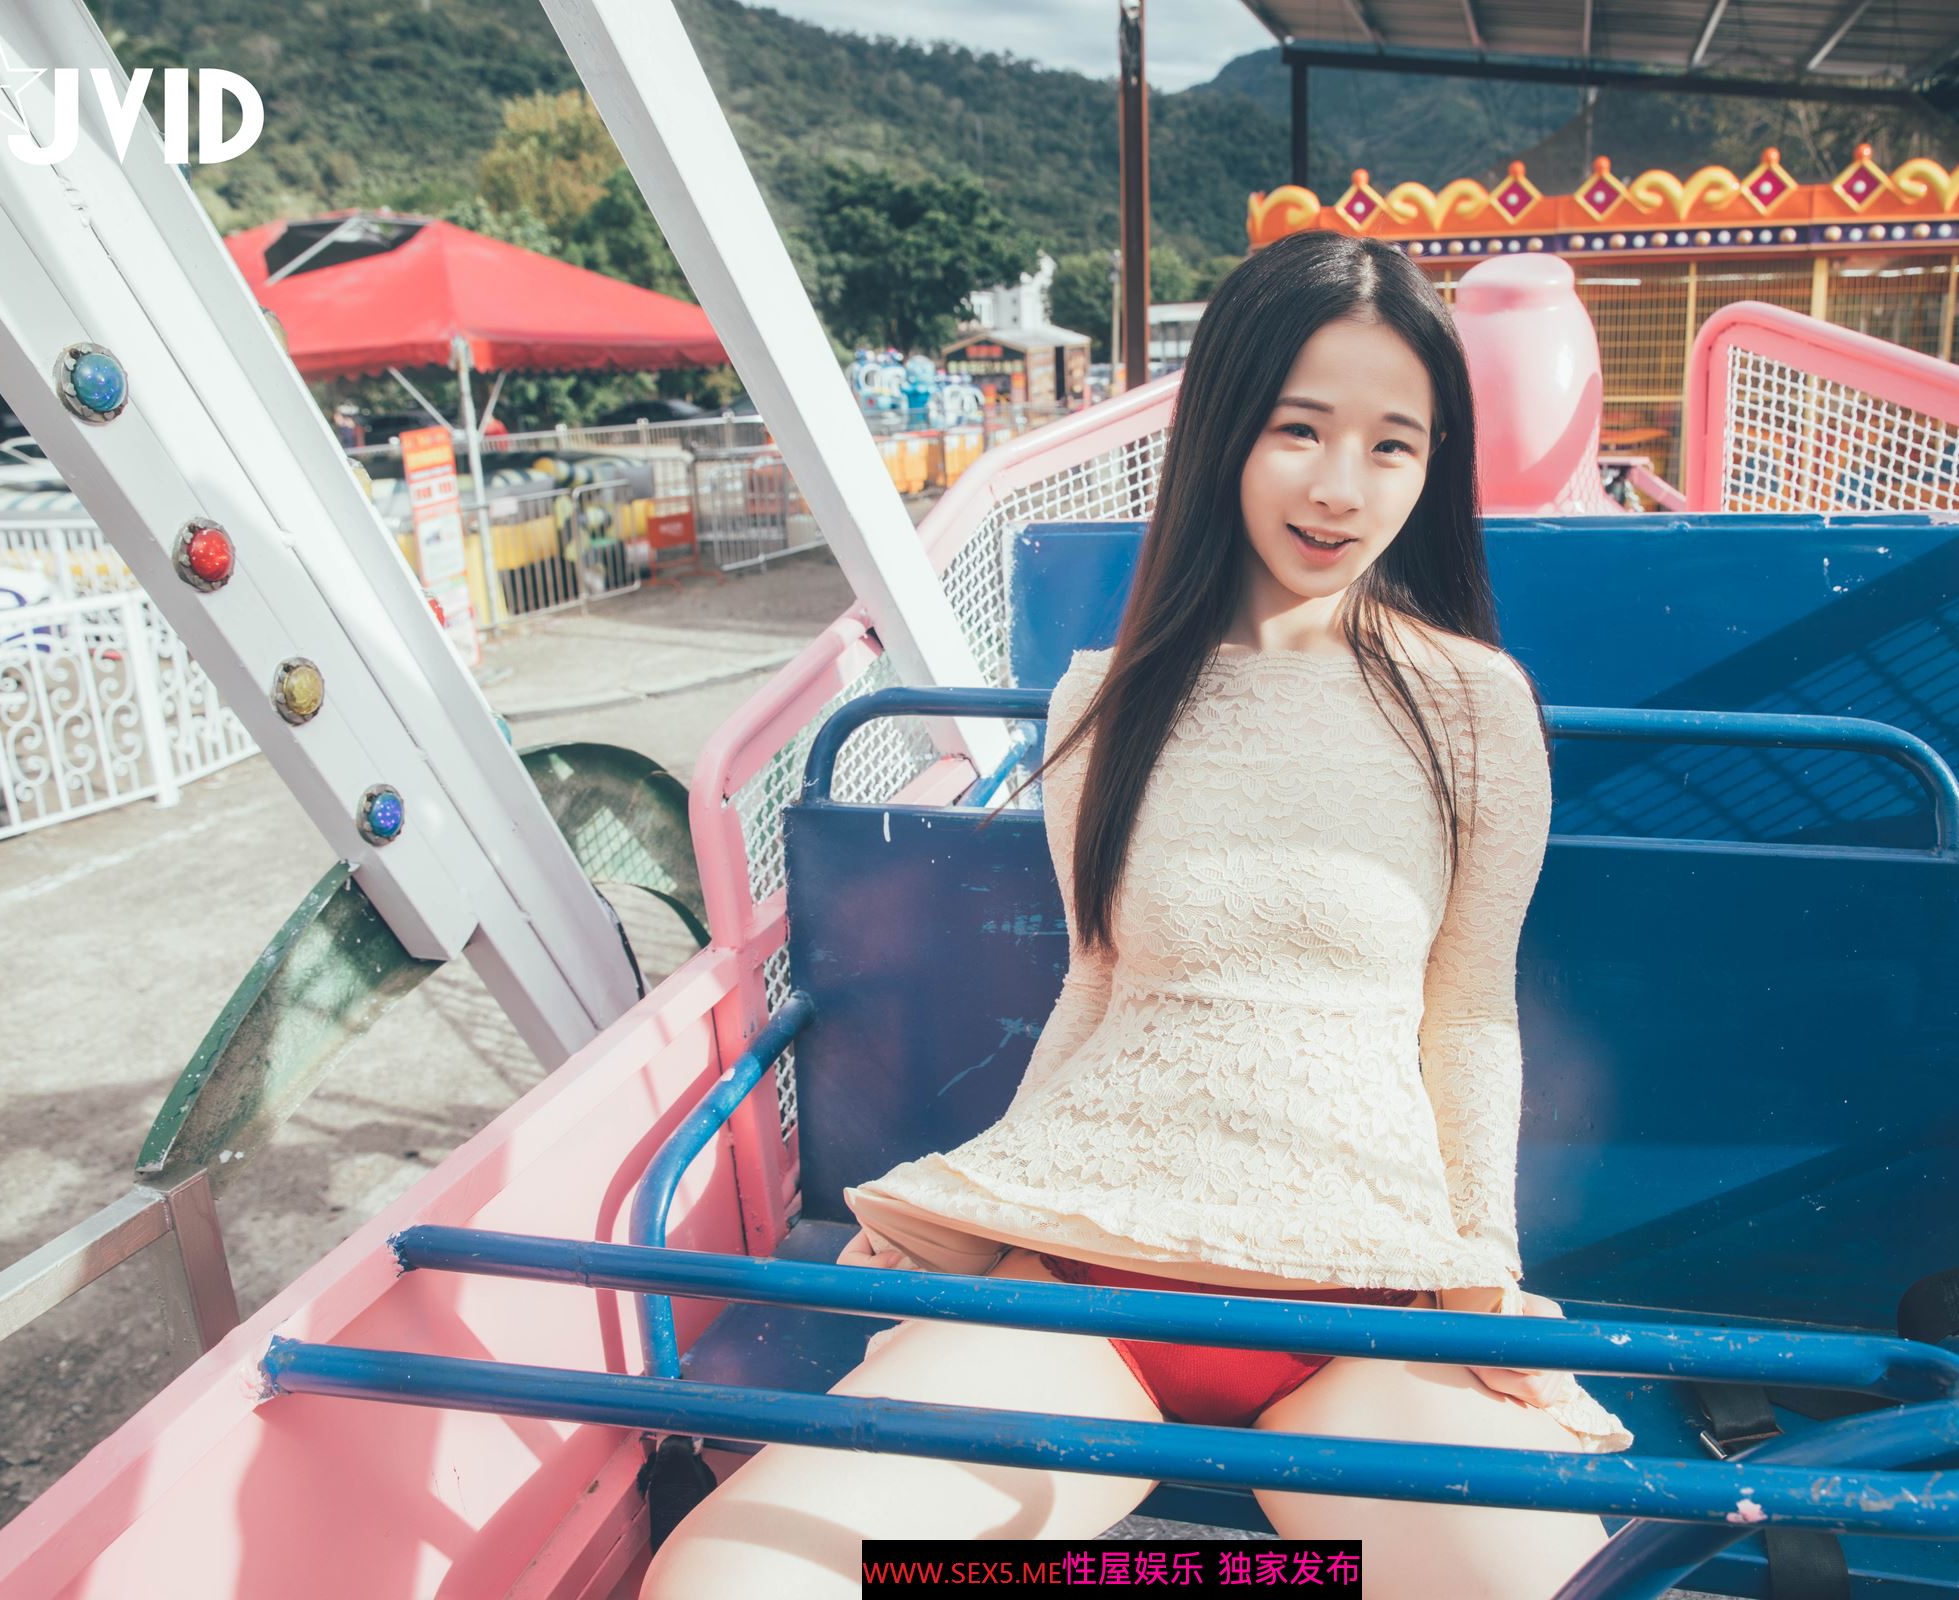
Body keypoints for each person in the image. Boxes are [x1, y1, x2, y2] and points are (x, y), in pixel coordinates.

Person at [643, 230, 1629, 1599]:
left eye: (1392, 445)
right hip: (1086, 1286)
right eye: (1299, 429)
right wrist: (986, 1207)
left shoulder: (1472, 708)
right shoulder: (1103, 703)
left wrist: (1482, 1271)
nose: (1340, 487)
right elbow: (1101, 985)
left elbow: (1466, 1013)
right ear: (1223, 426)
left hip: (1363, 1311)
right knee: (732, 1578)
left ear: (1433, 464)